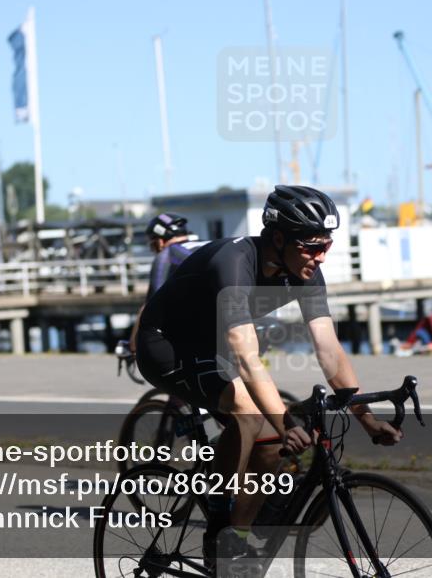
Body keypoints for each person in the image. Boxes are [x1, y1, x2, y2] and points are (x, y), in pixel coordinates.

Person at [135, 185, 402, 570]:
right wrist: (286, 422)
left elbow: (329, 349)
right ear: (278, 238)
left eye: (327, 245)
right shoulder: (233, 263)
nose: (321, 256)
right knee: (250, 413)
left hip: (212, 345)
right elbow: (246, 357)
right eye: (312, 246)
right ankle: (218, 519)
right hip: (165, 344)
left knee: (271, 442)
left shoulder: (308, 273)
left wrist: (367, 418)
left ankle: (238, 537)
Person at [129, 213, 206, 355]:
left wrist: (133, 346)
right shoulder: (207, 243)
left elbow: (150, 306)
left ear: (159, 241)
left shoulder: (167, 254)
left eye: (152, 244)